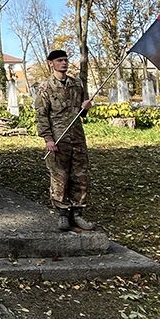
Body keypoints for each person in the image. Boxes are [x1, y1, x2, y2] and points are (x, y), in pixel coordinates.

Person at [34, 49, 95, 231]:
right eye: (60, 60)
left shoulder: (76, 84)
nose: (64, 63)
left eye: (66, 60)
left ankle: (77, 213)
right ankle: (62, 214)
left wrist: (86, 108)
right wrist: (48, 139)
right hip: (58, 139)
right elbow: (41, 115)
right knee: (60, 176)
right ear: (51, 63)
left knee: (80, 175)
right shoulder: (46, 87)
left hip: (76, 137)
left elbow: (80, 113)